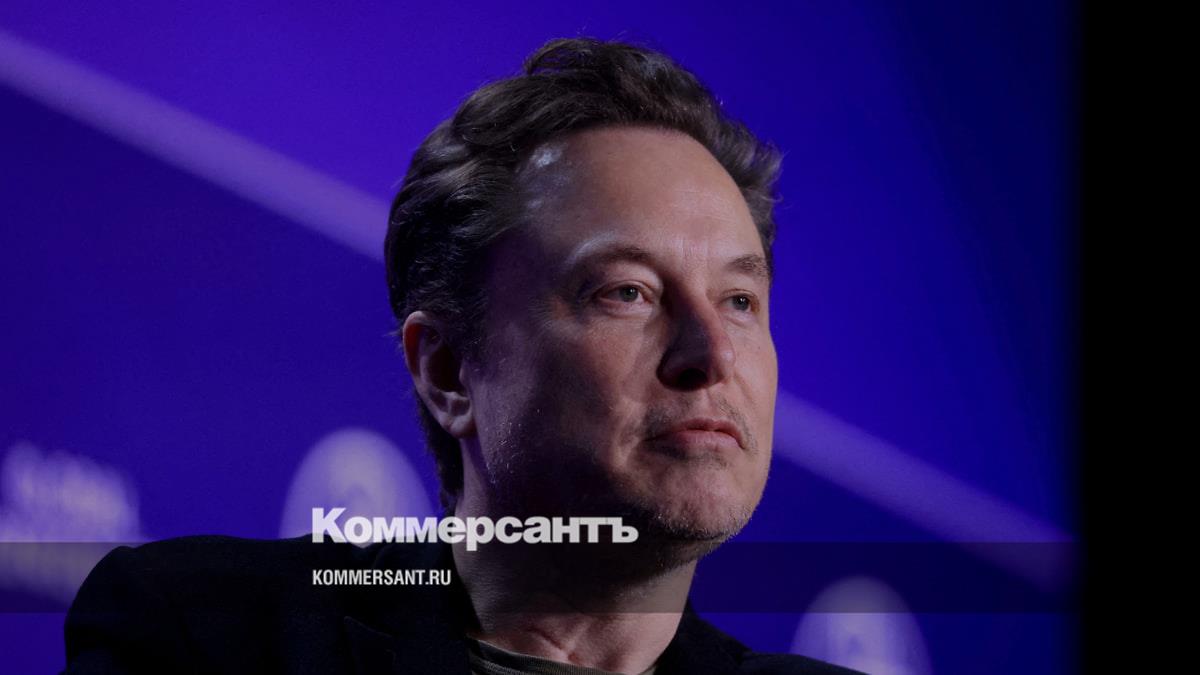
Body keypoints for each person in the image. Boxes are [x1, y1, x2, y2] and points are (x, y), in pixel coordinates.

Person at [63, 38, 864, 675]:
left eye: (739, 300)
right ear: (448, 372)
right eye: (626, 291)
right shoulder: (206, 638)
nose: (712, 353)